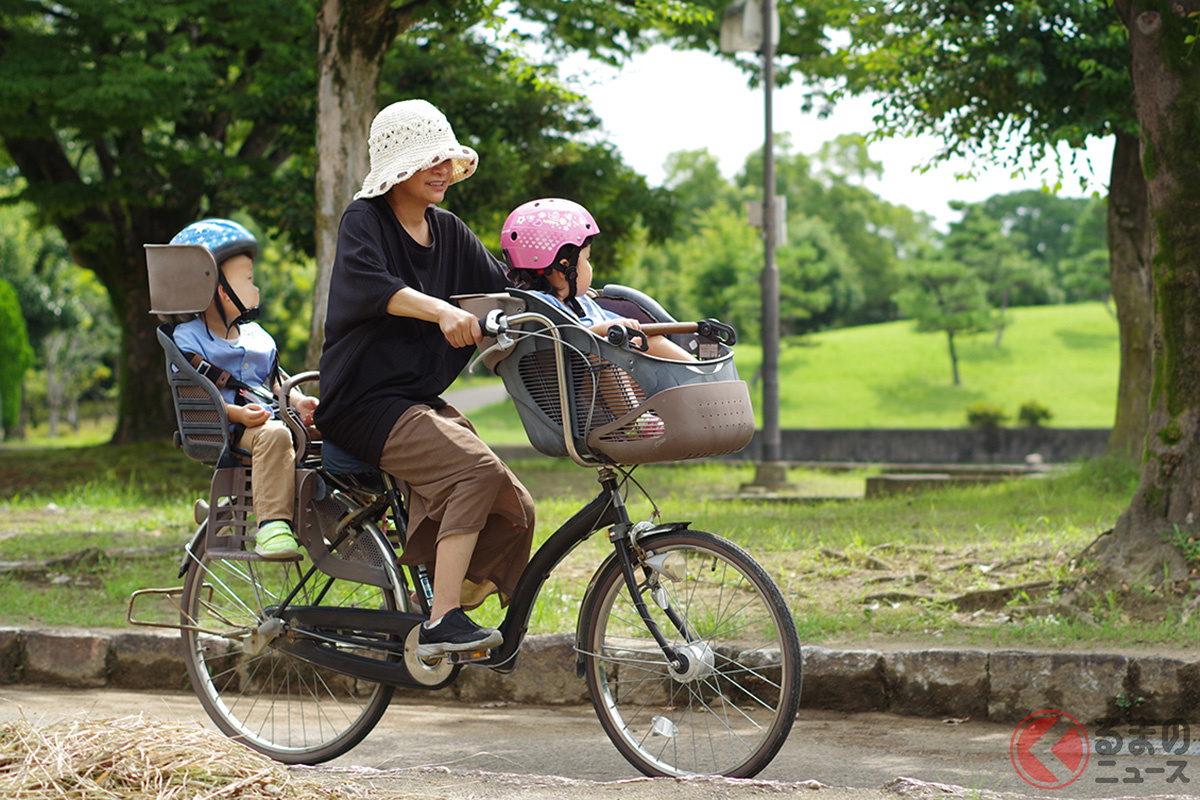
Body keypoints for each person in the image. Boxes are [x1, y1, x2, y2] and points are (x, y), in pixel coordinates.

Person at [314, 99, 535, 659]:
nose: (442, 168)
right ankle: (442, 621)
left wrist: (578, 303)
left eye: (446, 157)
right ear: (396, 166)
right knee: (475, 473)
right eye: (428, 158)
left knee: (516, 506)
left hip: (414, 401)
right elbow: (374, 287)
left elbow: (503, 294)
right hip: (363, 404)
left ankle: (448, 601)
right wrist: (441, 311)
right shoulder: (365, 221)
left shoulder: (450, 231)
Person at [170, 219, 318, 561]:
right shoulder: (189, 339)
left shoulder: (256, 335)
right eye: (249, 280)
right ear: (222, 290)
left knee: (335, 424)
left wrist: (299, 399)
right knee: (275, 436)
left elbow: (274, 378)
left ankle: (355, 513)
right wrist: (238, 414)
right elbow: (193, 392)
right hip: (230, 428)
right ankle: (271, 526)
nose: (257, 289)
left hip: (267, 415)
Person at [500, 197, 694, 362]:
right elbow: (567, 343)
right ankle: (702, 381)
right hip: (588, 382)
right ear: (565, 267)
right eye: (587, 259)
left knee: (648, 340)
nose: (590, 266)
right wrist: (601, 329)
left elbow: (623, 327)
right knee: (617, 351)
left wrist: (625, 326)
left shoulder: (581, 303)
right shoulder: (540, 309)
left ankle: (703, 379)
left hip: (612, 377)